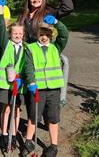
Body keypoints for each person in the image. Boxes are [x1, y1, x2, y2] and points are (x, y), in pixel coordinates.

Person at [21, 15, 69, 157]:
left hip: (54, 89)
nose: (44, 37)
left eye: (47, 35)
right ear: (37, 35)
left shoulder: (56, 47)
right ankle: (29, 142)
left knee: (53, 117)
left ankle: (53, 146)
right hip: (38, 89)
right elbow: (28, 66)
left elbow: (65, 34)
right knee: (33, 116)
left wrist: (56, 22)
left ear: (51, 35)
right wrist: (31, 82)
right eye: (41, 34)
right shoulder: (31, 48)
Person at [0, 0, 26, 152]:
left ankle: (14, 132)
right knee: (6, 109)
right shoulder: (6, 44)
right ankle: (5, 133)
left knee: (16, 110)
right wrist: (0, 10)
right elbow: (1, 27)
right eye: (15, 34)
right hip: (5, 84)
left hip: (18, 85)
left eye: (20, 34)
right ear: (11, 34)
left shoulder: (25, 48)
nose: (17, 36)